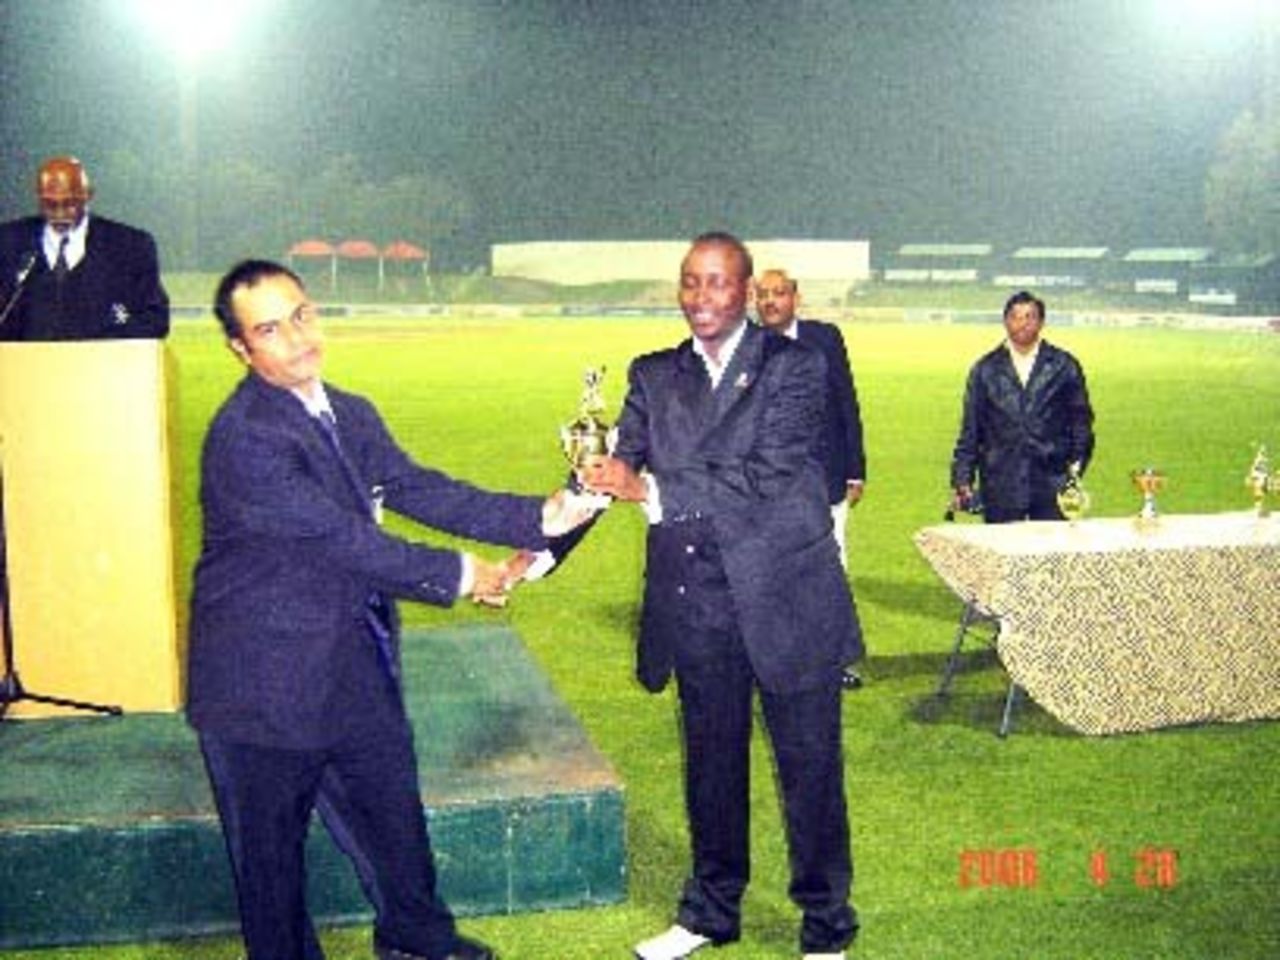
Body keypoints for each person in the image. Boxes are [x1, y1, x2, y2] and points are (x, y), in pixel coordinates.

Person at [187, 259, 593, 960]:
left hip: (349, 661)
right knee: (272, 868)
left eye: (303, 315)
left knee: (392, 821)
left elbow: (418, 487)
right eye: (270, 329)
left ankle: (416, 942)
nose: (297, 338)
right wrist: (469, 575)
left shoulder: (348, 410)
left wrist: (542, 516)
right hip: (261, 685)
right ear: (240, 348)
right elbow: (343, 542)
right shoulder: (246, 436)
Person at [580, 232, 859, 960]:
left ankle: (826, 926)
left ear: (745, 290)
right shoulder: (652, 374)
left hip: (786, 596)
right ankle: (709, 912)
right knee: (710, 769)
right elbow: (615, 468)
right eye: (690, 283)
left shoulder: (797, 365)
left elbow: (767, 476)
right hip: (697, 600)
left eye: (717, 284)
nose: (702, 298)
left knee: (810, 770)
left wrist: (648, 489)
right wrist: (536, 548)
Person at [755, 267, 867, 691]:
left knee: (831, 568)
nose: (770, 301)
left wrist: (856, 467)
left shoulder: (826, 338)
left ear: (795, 298)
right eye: (763, 294)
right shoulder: (742, 344)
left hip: (825, 478)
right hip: (765, 484)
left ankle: (831, 662)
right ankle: (773, 661)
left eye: (778, 293)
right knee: (767, 571)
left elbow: (846, 403)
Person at [950, 290, 1095, 522]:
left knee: (1049, 555)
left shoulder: (1063, 365)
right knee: (1001, 553)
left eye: (1030, 317)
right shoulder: (985, 369)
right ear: (1005, 321)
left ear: (1041, 322)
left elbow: (1081, 421)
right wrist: (962, 478)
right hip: (1000, 482)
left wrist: (1075, 469)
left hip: (1052, 482)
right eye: (1016, 316)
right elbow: (971, 429)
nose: (1023, 323)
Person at [0, 155, 169, 340]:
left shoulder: (130, 246)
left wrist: (106, 342)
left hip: (102, 365)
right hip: (22, 366)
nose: (60, 213)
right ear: (38, 197)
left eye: (69, 203)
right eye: (50, 204)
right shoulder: (8, 243)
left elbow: (155, 320)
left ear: (88, 195)